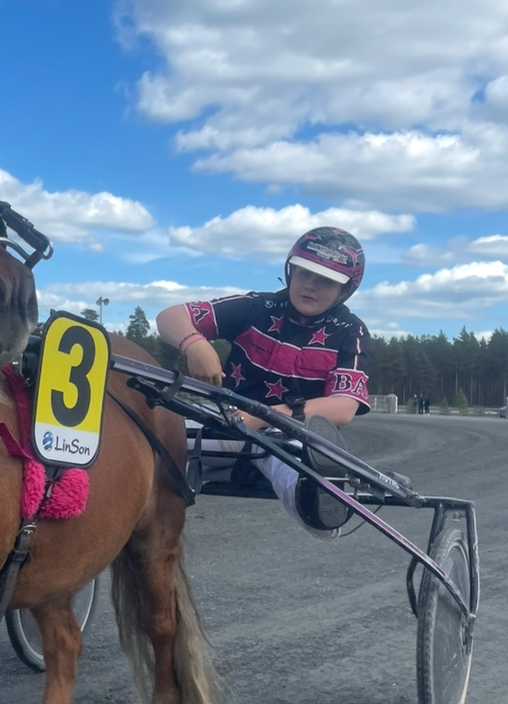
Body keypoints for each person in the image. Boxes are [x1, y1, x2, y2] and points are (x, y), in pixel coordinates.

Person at [156, 227, 371, 538]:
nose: (310, 285)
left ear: (345, 290)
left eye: (326, 280)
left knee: (299, 467)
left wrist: (261, 417)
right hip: (226, 424)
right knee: (151, 435)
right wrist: (194, 344)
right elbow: (169, 316)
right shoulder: (257, 306)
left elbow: (344, 407)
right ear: (290, 270)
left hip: (287, 434)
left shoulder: (351, 331)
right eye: (304, 273)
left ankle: (318, 497)